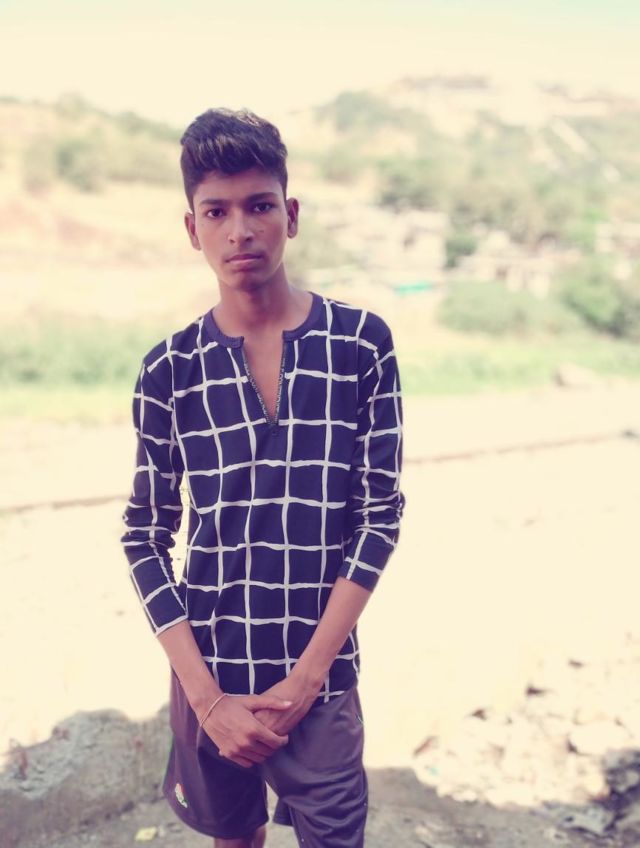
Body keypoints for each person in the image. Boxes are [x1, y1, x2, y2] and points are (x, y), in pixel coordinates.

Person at [121, 107, 405, 848]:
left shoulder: (360, 346)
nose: (240, 231)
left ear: (291, 215)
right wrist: (207, 699)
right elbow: (144, 538)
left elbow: (378, 517)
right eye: (217, 212)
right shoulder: (169, 370)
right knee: (233, 841)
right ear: (193, 229)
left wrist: (307, 679)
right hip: (210, 681)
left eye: (259, 206)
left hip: (322, 683)